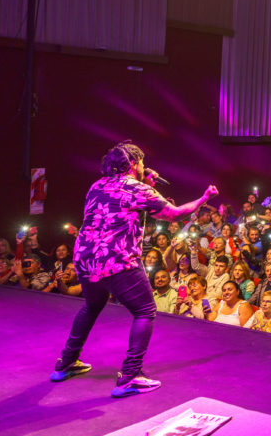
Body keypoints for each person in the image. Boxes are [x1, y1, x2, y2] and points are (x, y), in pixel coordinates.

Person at [52, 141, 218, 398]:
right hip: (116, 259)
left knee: (91, 306)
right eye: (140, 163)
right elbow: (174, 214)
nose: (143, 166)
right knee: (145, 311)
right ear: (133, 164)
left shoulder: (96, 186)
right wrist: (204, 198)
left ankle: (65, 363)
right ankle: (130, 375)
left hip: (85, 259)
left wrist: (146, 184)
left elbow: (123, 204)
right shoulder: (137, 188)